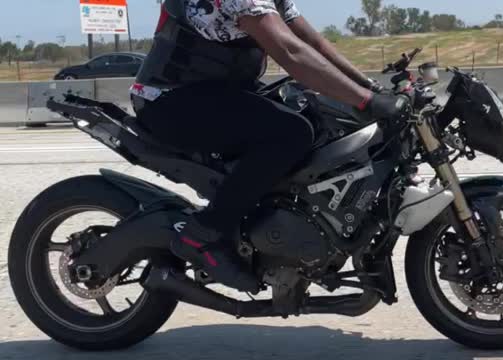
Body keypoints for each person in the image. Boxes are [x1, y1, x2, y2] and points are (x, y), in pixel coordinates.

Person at [131, 0, 408, 293]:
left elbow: (312, 42)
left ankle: (275, 228)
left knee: (312, 111)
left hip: (215, 91)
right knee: (290, 134)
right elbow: (290, 51)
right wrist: (366, 100)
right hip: (169, 101)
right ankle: (203, 233)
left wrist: (372, 89)